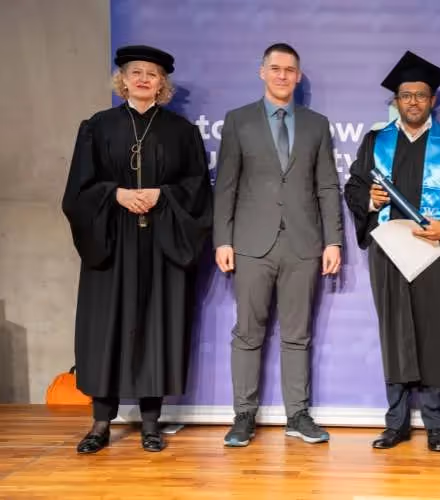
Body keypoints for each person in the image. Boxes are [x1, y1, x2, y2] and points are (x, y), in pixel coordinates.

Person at [62, 45, 213, 454]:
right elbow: (78, 191)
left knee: (156, 328)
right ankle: (99, 424)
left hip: (161, 241)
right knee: (104, 331)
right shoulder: (98, 126)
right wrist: (116, 195)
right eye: (136, 72)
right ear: (123, 80)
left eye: (152, 74)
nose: (144, 79)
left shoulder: (181, 132)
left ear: (163, 83)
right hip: (111, 242)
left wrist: (161, 195)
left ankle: (150, 423)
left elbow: (197, 189)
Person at [344, 51, 440, 452]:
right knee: (395, 334)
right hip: (388, 253)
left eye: (421, 95)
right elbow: (353, 188)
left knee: (433, 335)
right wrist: (370, 201)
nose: (413, 102)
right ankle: (397, 423)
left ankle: (436, 425)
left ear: (432, 101)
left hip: (433, 254)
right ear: (396, 101)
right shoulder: (375, 142)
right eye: (406, 95)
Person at [214, 43, 343, 447]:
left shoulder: (317, 124)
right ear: (262, 72)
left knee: (297, 335)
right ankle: (243, 416)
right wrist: (223, 239)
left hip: (304, 244)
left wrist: (333, 240)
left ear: (298, 76)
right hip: (251, 243)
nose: (283, 75)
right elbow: (227, 186)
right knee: (247, 334)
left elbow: (326, 186)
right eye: (275, 68)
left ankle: (298, 415)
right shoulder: (238, 121)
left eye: (290, 70)